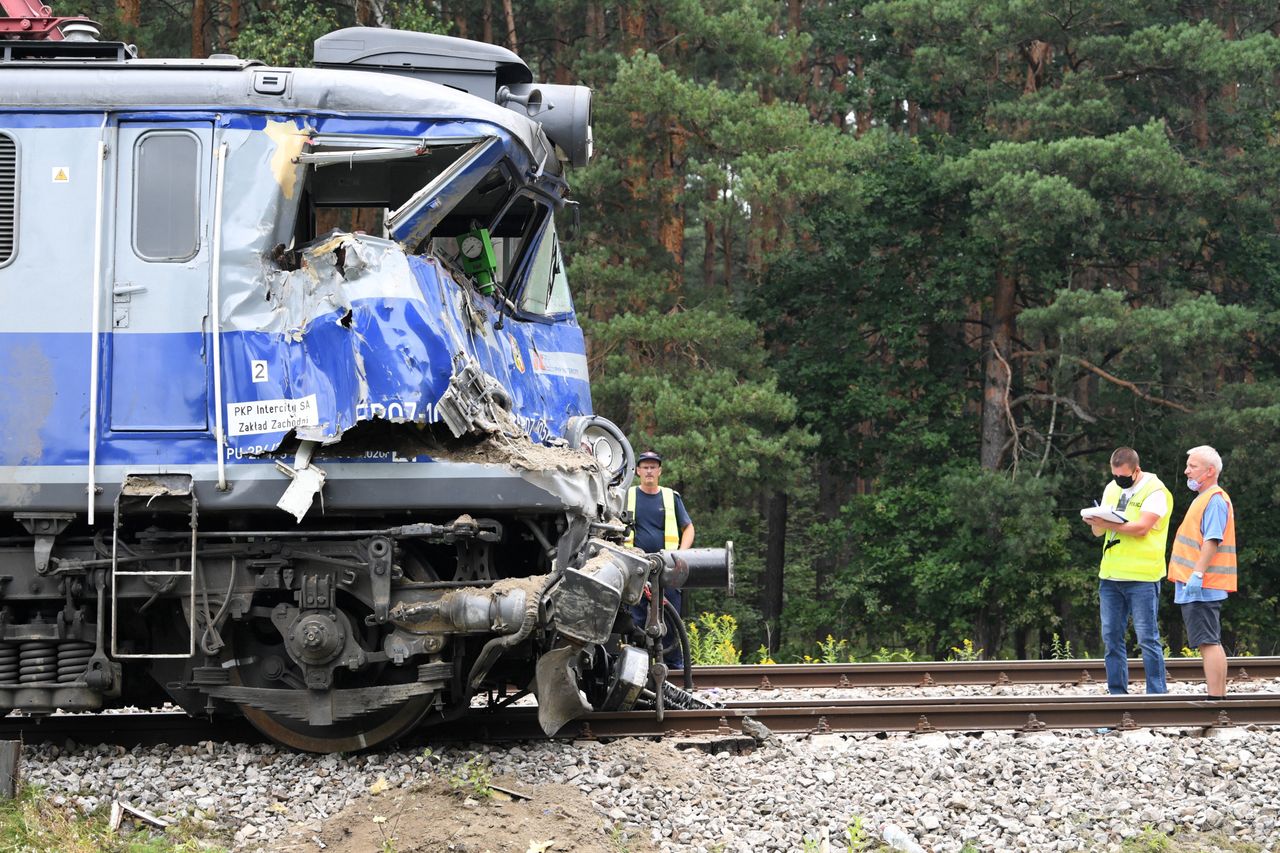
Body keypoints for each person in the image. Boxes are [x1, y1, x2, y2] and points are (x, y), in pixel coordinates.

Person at [1083, 447, 1171, 695]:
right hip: (1110, 576)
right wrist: (1095, 522)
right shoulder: (1112, 488)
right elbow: (1099, 532)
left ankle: (1157, 695)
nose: (1118, 481)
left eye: (1123, 477)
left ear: (1137, 470)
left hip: (1142, 577)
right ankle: (1117, 695)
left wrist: (1107, 522)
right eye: (1115, 476)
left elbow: (1142, 527)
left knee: (1147, 639)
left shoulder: (1155, 491)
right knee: (1111, 639)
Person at [1167, 445, 1237, 699]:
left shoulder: (1215, 499)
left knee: (1209, 642)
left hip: (1203, 584)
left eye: (1192, 466)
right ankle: (1217, 697)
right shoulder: (1205, 498)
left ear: (1209, 471)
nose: (1186, 471)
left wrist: (1197, 574)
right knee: (1208, 641)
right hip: (1198, 584)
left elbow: (1212, 539)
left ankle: (1216, 699)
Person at [625, 450, 695, 667]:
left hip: (667, 569)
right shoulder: (628, 496)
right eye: (645, 467)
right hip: (636, 568)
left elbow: (688, 528)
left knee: (670, 620)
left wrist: (680, 555)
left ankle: (674, 667)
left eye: (653, 467)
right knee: (634, 620)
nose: (649, 471)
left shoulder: (670, 497)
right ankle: (636, 667)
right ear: (637, 471)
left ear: (659, 471)